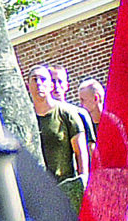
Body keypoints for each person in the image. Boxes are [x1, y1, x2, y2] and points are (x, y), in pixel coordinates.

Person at [29, 67, 90, 205]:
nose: (38, 83)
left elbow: (80, 152)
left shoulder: (67, 113)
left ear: (50, 85)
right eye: (34, 79)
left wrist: (83, 182)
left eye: (43, 79)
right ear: (28, 86)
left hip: (67, 188)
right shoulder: (27, 119)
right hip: (41, 195)